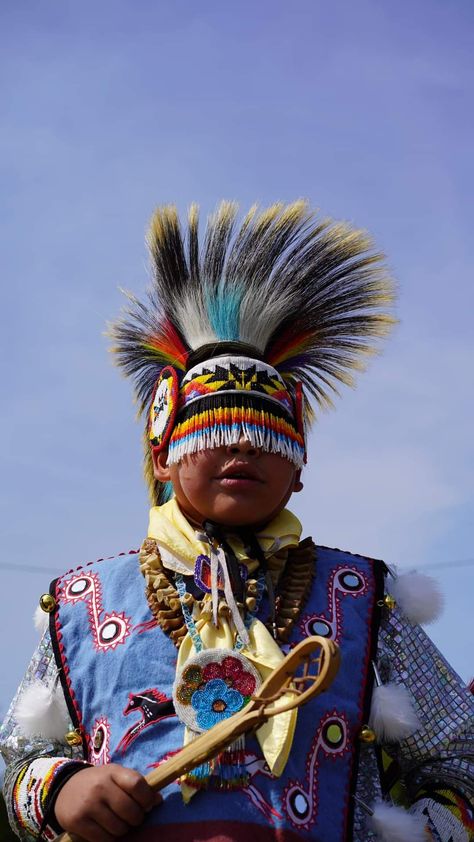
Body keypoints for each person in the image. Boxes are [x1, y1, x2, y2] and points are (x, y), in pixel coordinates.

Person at [1, 201, 473, 842]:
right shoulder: (82, 605)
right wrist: (60, 789)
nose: (243, 449)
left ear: (300, 468)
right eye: (217, 431)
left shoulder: (368, 599)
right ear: (162, 456)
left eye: (267, 436)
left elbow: (461, 756)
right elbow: (16, 759)